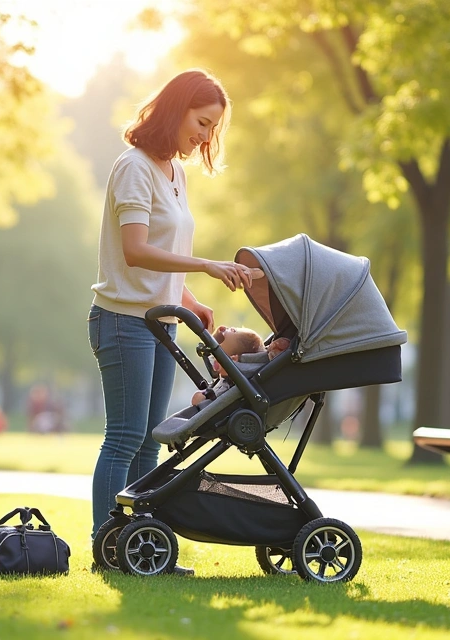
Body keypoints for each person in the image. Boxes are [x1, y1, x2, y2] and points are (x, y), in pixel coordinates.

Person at [87, 69, 259, 575]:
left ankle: (142, 549)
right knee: (123, 437)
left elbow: (166, 251)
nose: (206, 137)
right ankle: (108, 549)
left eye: (213, 129)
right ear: (177, 108)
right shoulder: (134, 168)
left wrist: (189, 298)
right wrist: (206, 265)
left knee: (147, 440)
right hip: (123, 321)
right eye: (202, 123)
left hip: (161, 321)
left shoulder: (174, 172)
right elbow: (137, 252)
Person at [190, 326, 290, 405]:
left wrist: (201, 397)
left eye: (233, 330)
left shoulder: (231, 388)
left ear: (233, 360)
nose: (225, 328)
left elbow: (204, 403)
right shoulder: (225, 382)